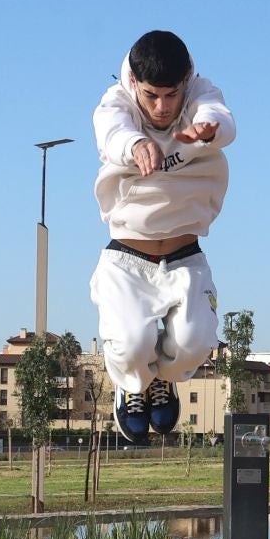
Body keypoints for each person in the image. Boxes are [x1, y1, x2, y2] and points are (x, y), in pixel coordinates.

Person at [90, 29, 236, 447]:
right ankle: (131, 386)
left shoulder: (201, 94)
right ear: (135, 83)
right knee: (134, 346)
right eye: (151, 95)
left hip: (185, 256)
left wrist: (209, 129)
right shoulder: (116, 102)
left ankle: (162, 382)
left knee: (194, 345)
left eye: (171, 95)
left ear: (187, 80)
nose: (161, 107)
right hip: (126, 258)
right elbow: (111, 131)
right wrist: (136, 144)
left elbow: (222, 118)